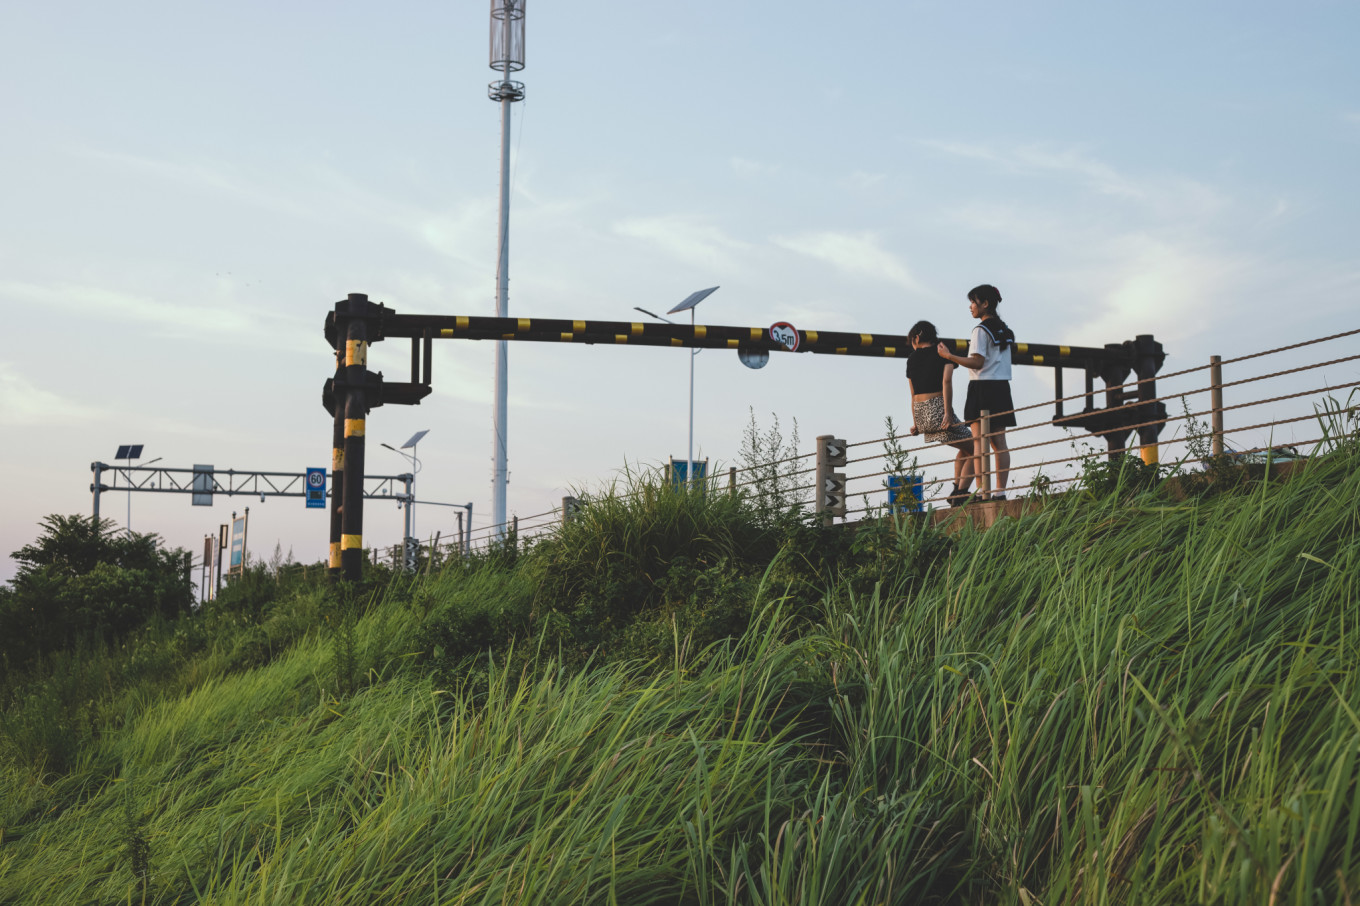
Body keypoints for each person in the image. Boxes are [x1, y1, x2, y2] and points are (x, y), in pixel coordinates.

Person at [937, 284, 1016, 500]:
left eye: (973, 302)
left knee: (980, 442)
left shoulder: (980, 330)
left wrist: (949, 356)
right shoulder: (1005, 330)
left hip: (982, 387)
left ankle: (984, 491)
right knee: (1000, 442)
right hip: (1002, 387)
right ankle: (1000, 490)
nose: (971, 307)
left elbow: (977, 362)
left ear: (985, 304)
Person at [906, 320, 975, 506]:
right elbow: (946, 382)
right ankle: (960, 493)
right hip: (939, 409)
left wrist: (916, 423)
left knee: (965, 447)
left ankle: (956, 490)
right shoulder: (942, 352)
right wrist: (946, 413)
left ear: (917, 337)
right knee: (978, 447)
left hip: (921, 413)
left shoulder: (911, 359)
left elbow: (913, 393)